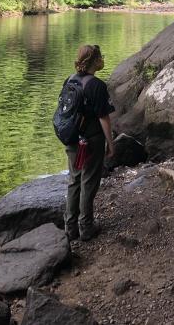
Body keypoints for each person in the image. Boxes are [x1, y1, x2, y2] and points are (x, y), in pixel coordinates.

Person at [64, 44, 115, 242]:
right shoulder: (97, 85)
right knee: (89, 181)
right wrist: (111, 144)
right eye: (101, 57)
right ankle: (86, 227)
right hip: (91, 141)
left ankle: (70, 227)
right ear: (95, 61)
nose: (103, 59)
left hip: (72, 139)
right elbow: (104, 118)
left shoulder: (69, 80)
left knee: (74, 180)